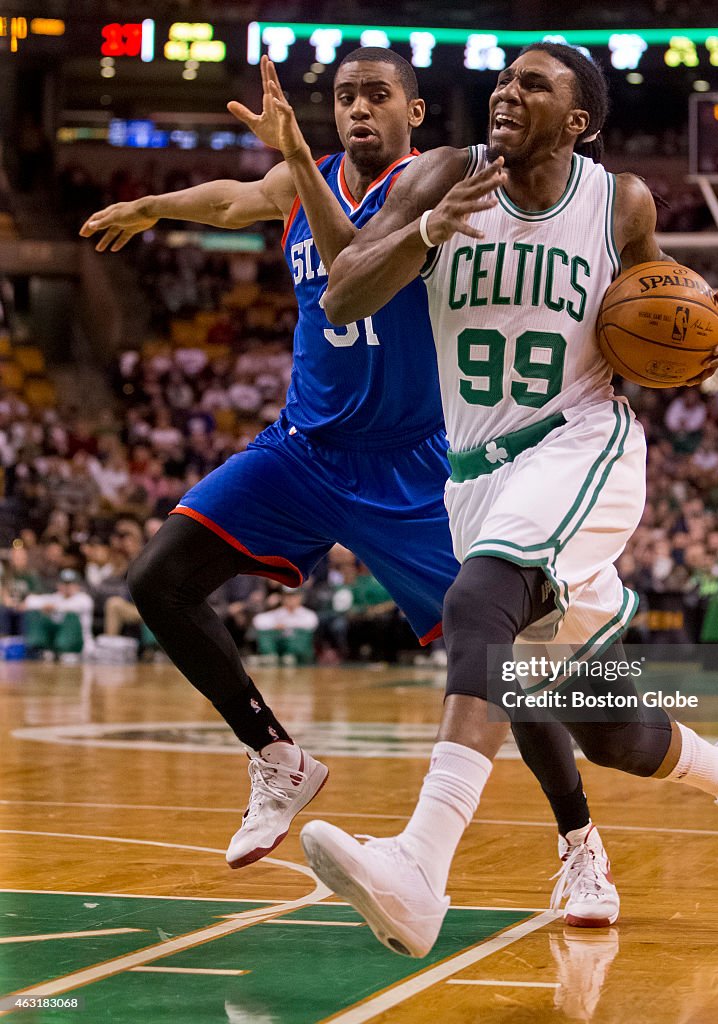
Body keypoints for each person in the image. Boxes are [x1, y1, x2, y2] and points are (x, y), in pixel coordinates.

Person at [79, 49, 616, 925]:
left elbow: (348, 282)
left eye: (377, 96)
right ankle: (277, 757)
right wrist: (152, 206)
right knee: (156, 581)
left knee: (504, 666)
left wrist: (292, 160)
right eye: (343, 97)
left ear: (412, 112)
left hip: (411, 464)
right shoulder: (302, 176)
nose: (357, 110)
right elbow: (228, 200)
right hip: (302, 448)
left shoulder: (443, 191)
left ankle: (580, 843)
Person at [301, 42, 718, 959]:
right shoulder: (445, 177)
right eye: (504, 78)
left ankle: (420, 867)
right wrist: (420, 233)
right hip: (474, 474)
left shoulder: (619, 202)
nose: (506, 90)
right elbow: (340, 295)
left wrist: (699, 349)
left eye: (534, 83)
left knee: (474, 603)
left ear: (578, 121)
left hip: (581, 444)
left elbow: (657, 322)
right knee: (602, 727)